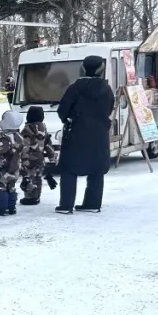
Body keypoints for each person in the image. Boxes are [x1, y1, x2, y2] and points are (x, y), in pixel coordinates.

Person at [56, 55, 114, 214]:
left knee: (69, 168)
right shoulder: (107, 89)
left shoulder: (75, 88)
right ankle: (92, 203)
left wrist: (70, 119)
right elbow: (109, 109)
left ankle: (66, 205)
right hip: (100, 134)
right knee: (97, 168)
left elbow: (63, 110)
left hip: (77, 132)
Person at [19, 106, 56, 206]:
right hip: (40, 158)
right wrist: (52, 158)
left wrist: (23, 158)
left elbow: (25, 145)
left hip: (29, 158)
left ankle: (30, 197)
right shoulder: (43, 129)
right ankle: (37, 196)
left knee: (29, 177)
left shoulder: (27, 130)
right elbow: (48, 144)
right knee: (37, 177)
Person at [0, 111, 23, 217]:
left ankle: (1, 208)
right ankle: (11, 207)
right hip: (15, 167)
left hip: (4, 168)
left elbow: (1, 152)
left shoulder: (5, 139)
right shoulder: (19, 136)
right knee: (11, 186)